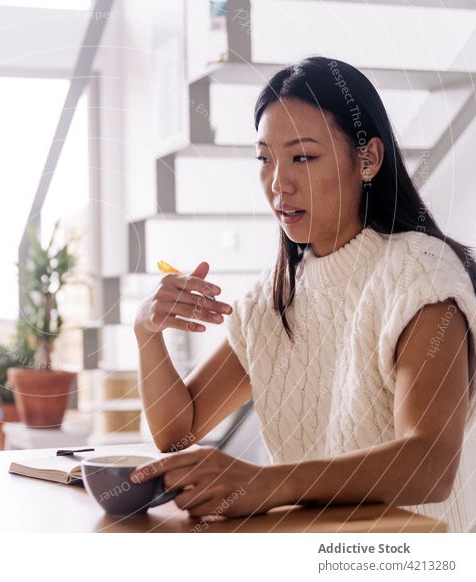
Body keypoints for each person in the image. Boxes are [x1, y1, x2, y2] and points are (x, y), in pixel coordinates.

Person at [131, 56, 476, 533]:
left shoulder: (420, 274)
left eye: (303, 157)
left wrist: (267, 484)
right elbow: (176, 432)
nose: (278, 183)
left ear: (368, 159)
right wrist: (147, 331)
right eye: (264, 159)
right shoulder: (272, 301)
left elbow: (430, 464)